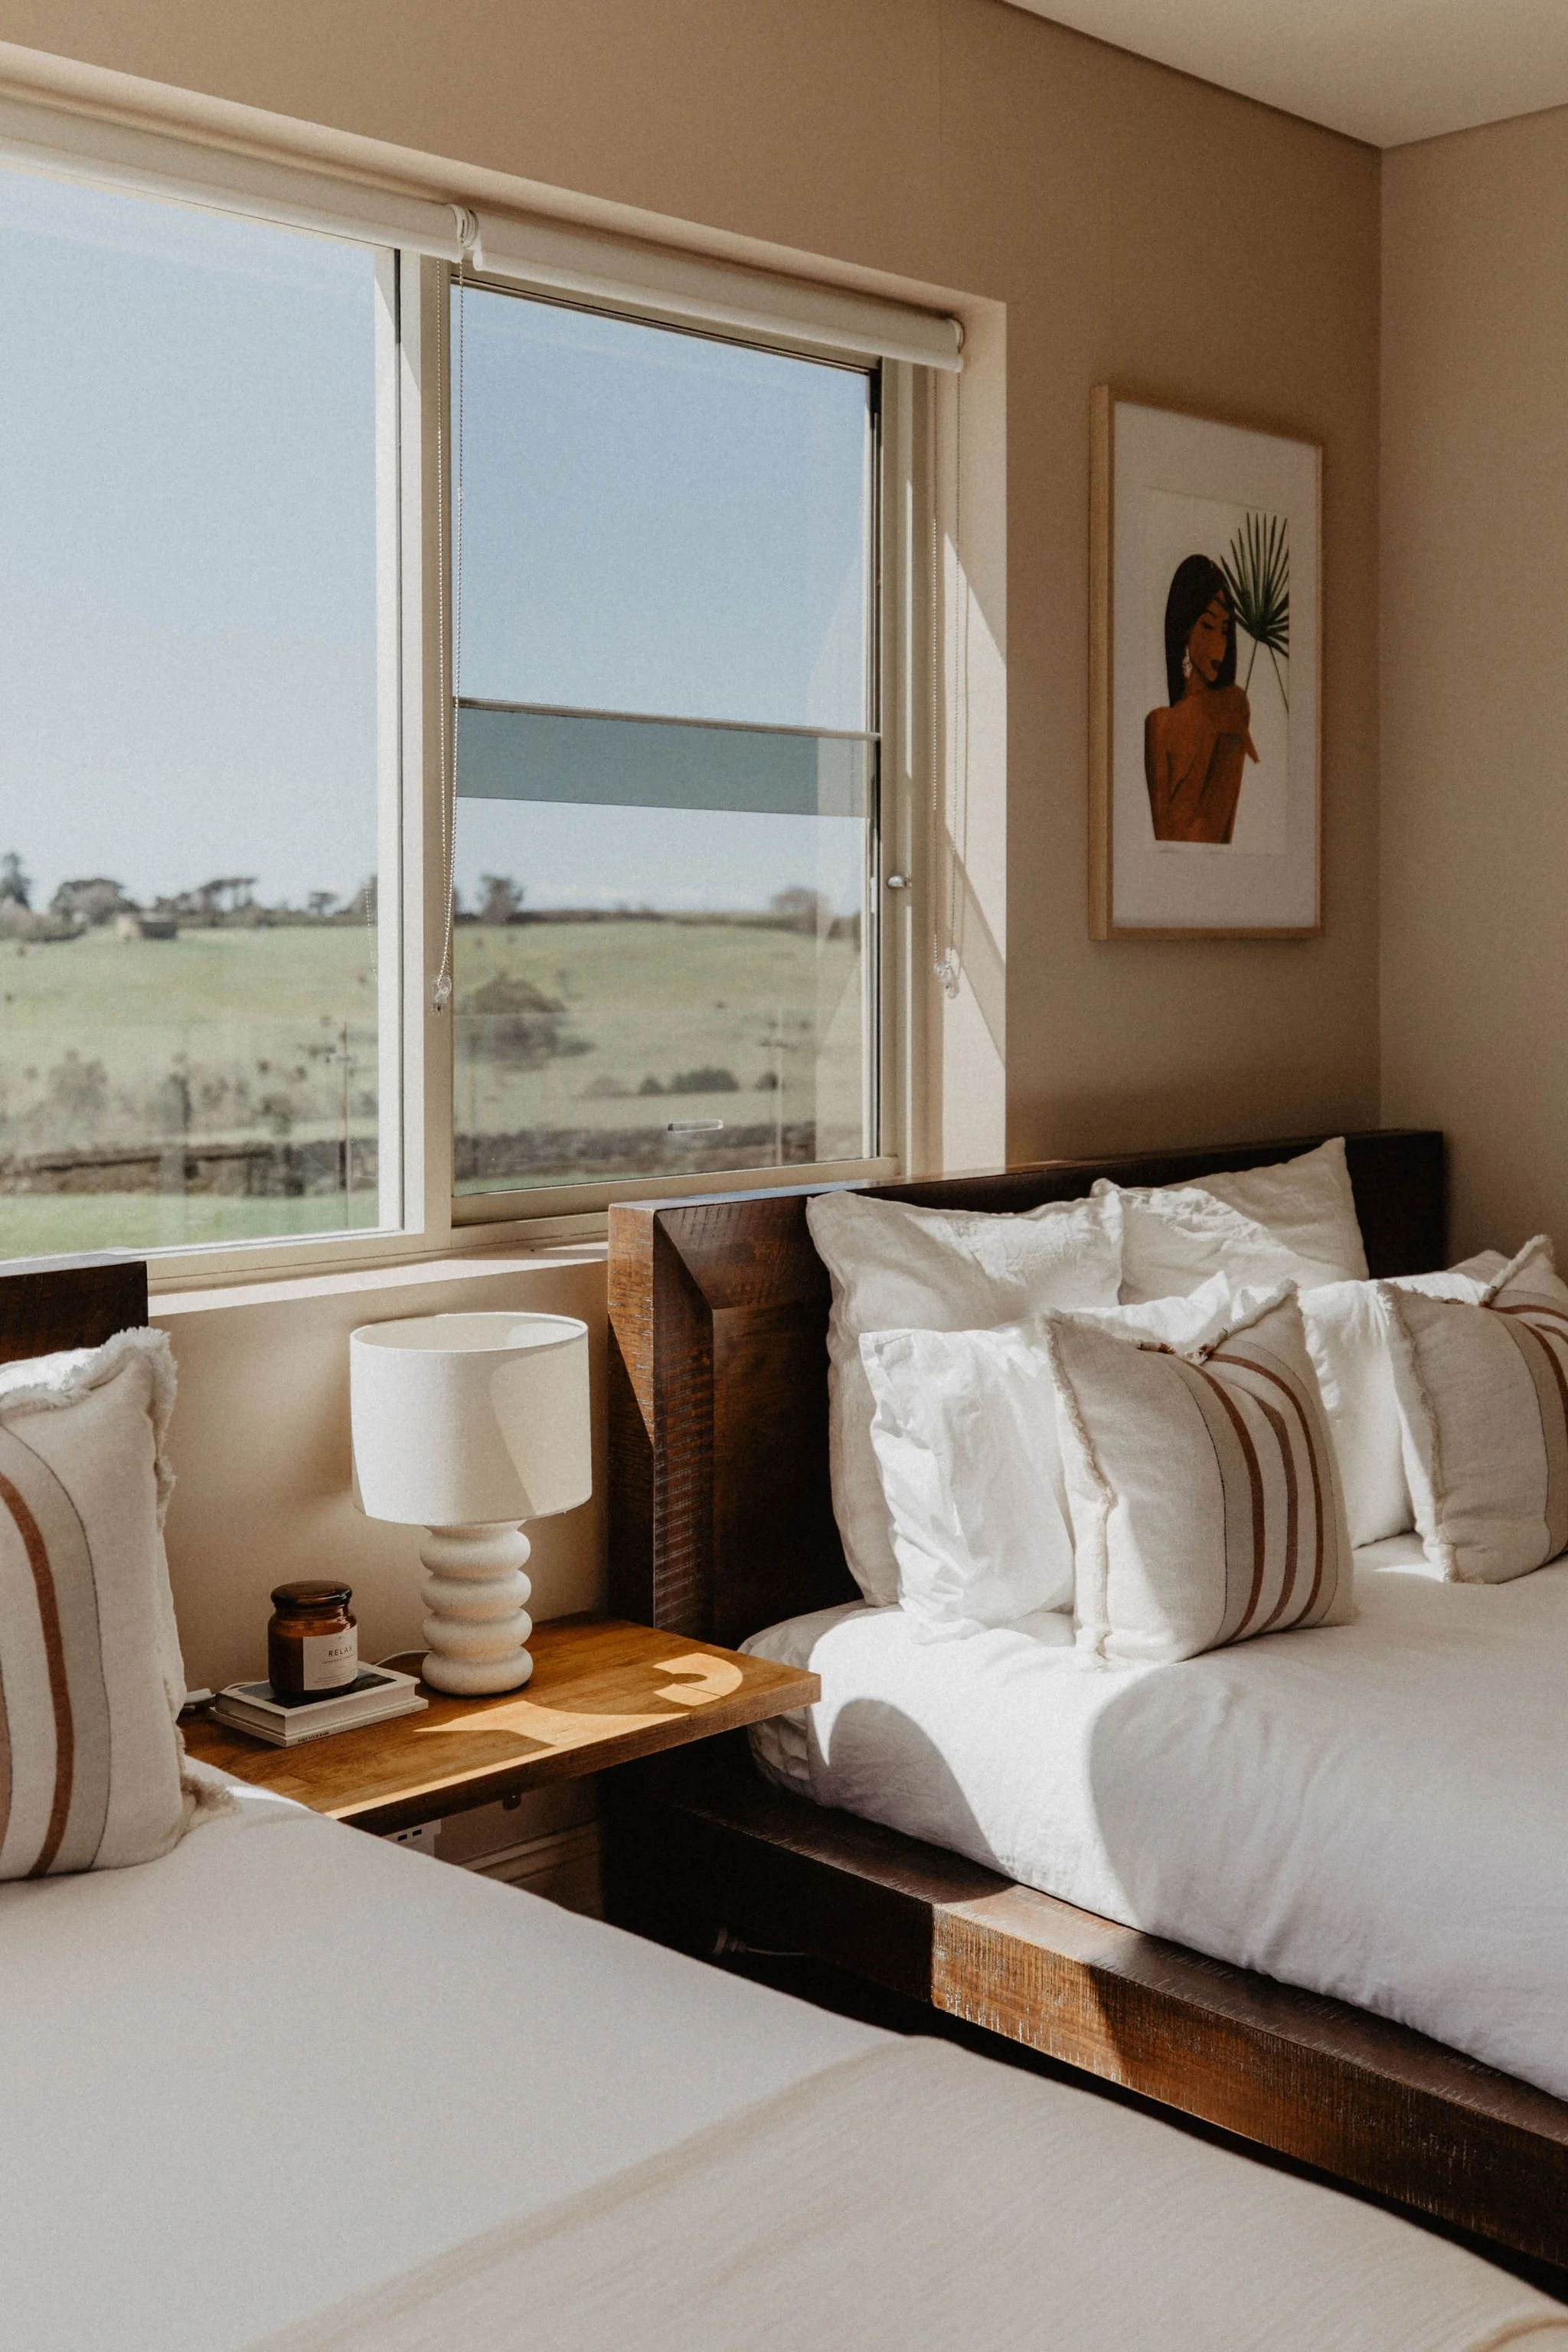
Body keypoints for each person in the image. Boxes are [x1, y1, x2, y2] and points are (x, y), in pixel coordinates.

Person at [1144, 554, 1258, 844]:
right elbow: (1166, 837)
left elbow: (1219, 829)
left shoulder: (1234, 703)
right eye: (1207, 626)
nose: (1218, 646)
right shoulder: (1158, 724)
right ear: (1184, 628)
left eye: (1224, 630)